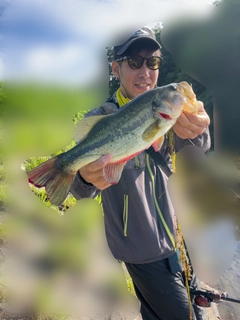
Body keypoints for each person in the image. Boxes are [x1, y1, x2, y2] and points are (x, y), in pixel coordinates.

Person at [70, 27, 211, 320]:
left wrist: (199, 128)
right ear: (116, 68)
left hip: (179, 238)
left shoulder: (168, 109)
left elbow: (197, 156)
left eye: (153, 62)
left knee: (163, 312)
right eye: (134, 61)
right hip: (140, 248)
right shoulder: (100, 119)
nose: (145, 71)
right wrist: (83, 177)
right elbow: (82, 189)